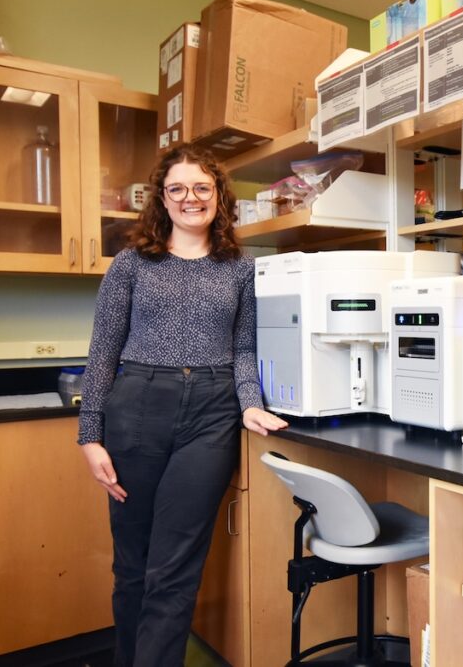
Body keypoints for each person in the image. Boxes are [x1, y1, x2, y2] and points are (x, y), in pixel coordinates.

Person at [77, 143, 287, 666]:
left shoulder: (240, 268)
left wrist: (249, 403)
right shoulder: (132, 264)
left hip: (211, 415)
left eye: (201, 187)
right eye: (177, 189)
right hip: (139, 406)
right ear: (161, 199)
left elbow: (243, 348)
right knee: (133, 565)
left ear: (217, 196)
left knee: (174, 570)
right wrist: (89, 436)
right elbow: (103, 352)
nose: (190, 198)